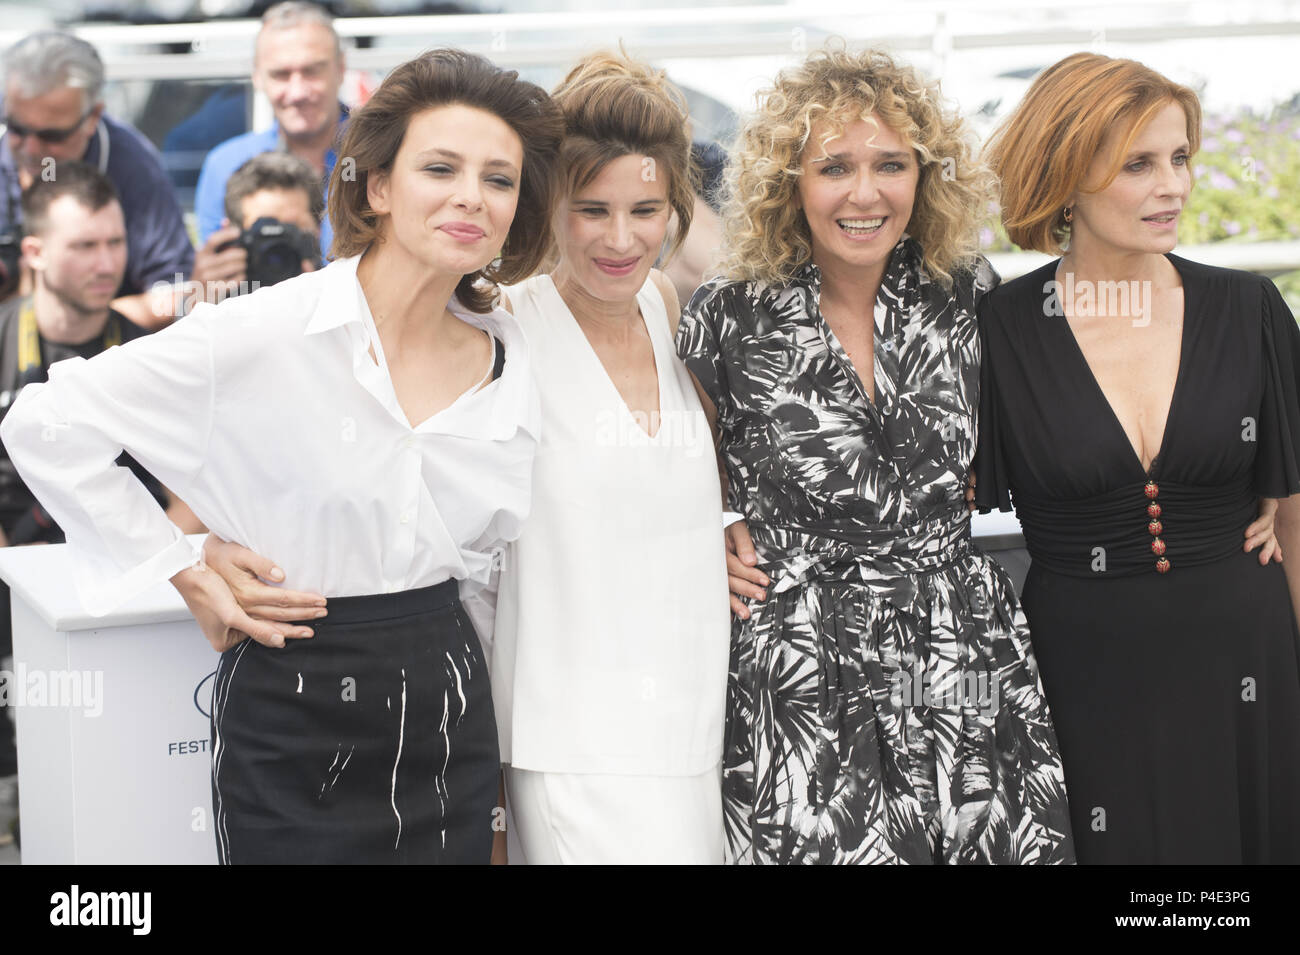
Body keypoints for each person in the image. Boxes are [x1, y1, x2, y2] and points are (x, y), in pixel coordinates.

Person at [0, 49, 563, 865]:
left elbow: (485, 578)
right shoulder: (262, 332)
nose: (472, 196)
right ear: (377, 186)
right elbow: (46, 423)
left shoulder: (511, 357)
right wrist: (182, 563)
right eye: (440, 167)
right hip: (292, 705)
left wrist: (505, 799)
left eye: (500, 179)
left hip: (449, 705)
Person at [203, 51, 731, 865]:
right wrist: (200, 555)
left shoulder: (662, 306)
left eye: (647, 209)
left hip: (694, 723)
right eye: (591, 208)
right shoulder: (496, 329)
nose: (620, 239)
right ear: (546, 203)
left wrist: (720, 527)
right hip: (570, 748)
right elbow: (348, 466)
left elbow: (674, 477)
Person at [676, 46, 1075, 864]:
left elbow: (1043, 434)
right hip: (801, 650)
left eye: (891, 164)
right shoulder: (729, 313)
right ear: (791, 180)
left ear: (926, 176)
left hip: (956, 635)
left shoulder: (968, 291)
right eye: (834, 167)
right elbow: (677, 467)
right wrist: (707, 533)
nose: (865, 193)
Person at [976, 52, 1300, 863]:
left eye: (1181, 158)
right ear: (1065, 177)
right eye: (1139, 164)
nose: (1175, 187)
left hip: (1250, 669)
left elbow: (1294, 517)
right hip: (1084, 680)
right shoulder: (997, 333)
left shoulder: (1251, 310)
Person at [0, 32, 196, 330]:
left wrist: (79, 322)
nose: (30, 149)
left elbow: (177, 293)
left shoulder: (134, 169)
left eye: (51, 136)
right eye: (16, 128)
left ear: (93, 117)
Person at [193, 0, 348, 295]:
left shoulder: (383, 154)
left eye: (312, 71)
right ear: (257, 76)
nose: (298, 91)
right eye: (281, 74)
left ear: (341, 68)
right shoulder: (225, 165)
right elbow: (219, 285)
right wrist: (205, 287)